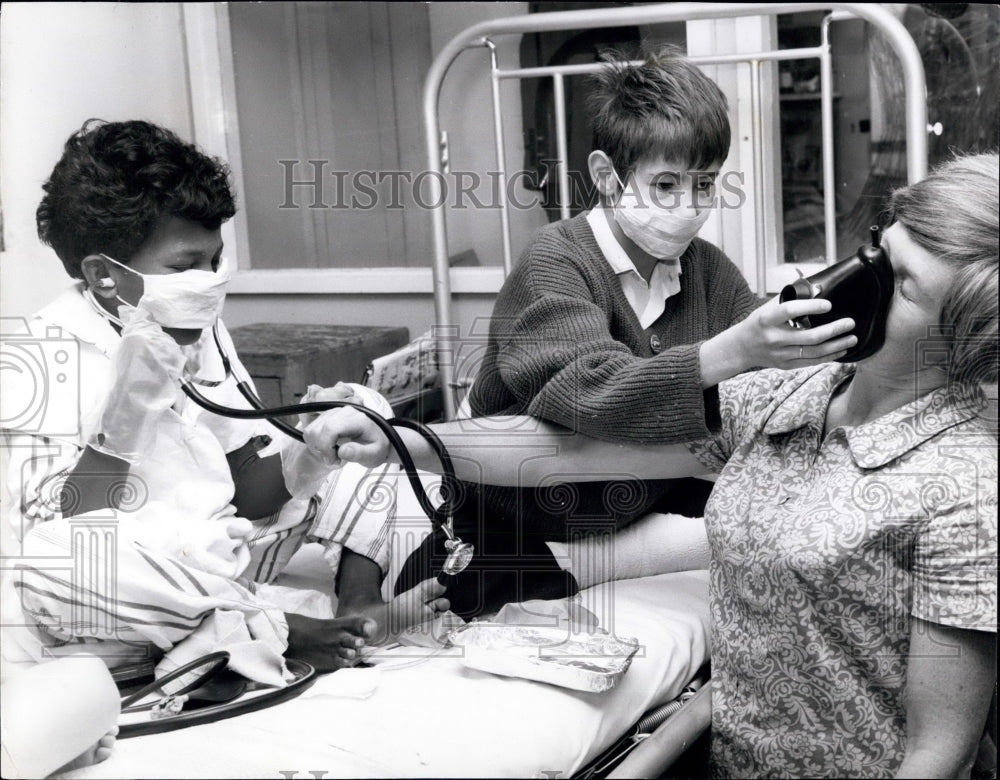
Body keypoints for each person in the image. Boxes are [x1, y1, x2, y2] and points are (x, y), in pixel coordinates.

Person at [302, 152, 998, 778]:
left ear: (960, 340)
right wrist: (405, 440)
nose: (856, 281)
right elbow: (575, 451)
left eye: (901, 285)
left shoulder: (965, 487)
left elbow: (941, 753)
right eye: (877, 251)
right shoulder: (798, 387)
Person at [0, 120, 448, 729]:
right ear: (106, 277)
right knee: (56, 563)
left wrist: (310, 453)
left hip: (221, 562)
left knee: (378, 426)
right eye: (188, 265)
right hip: (133, 588)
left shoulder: (200, 328)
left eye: (215, 260)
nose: (211, 283)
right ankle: (283, 631)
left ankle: (353, 606)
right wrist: (125, 414)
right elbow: (69, 536)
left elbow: (240, 483)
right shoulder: (35, 357)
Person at [395, 47, 857, 617]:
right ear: (606, 178)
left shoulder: (707, 269)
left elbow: (767, 367)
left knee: (796, 540)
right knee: (466, 613)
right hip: (514, 510)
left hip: (636, 505)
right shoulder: (554, 263)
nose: (688, 206)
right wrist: (732, 351)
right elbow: (591, 393)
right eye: (665, 184)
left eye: (705, 184)